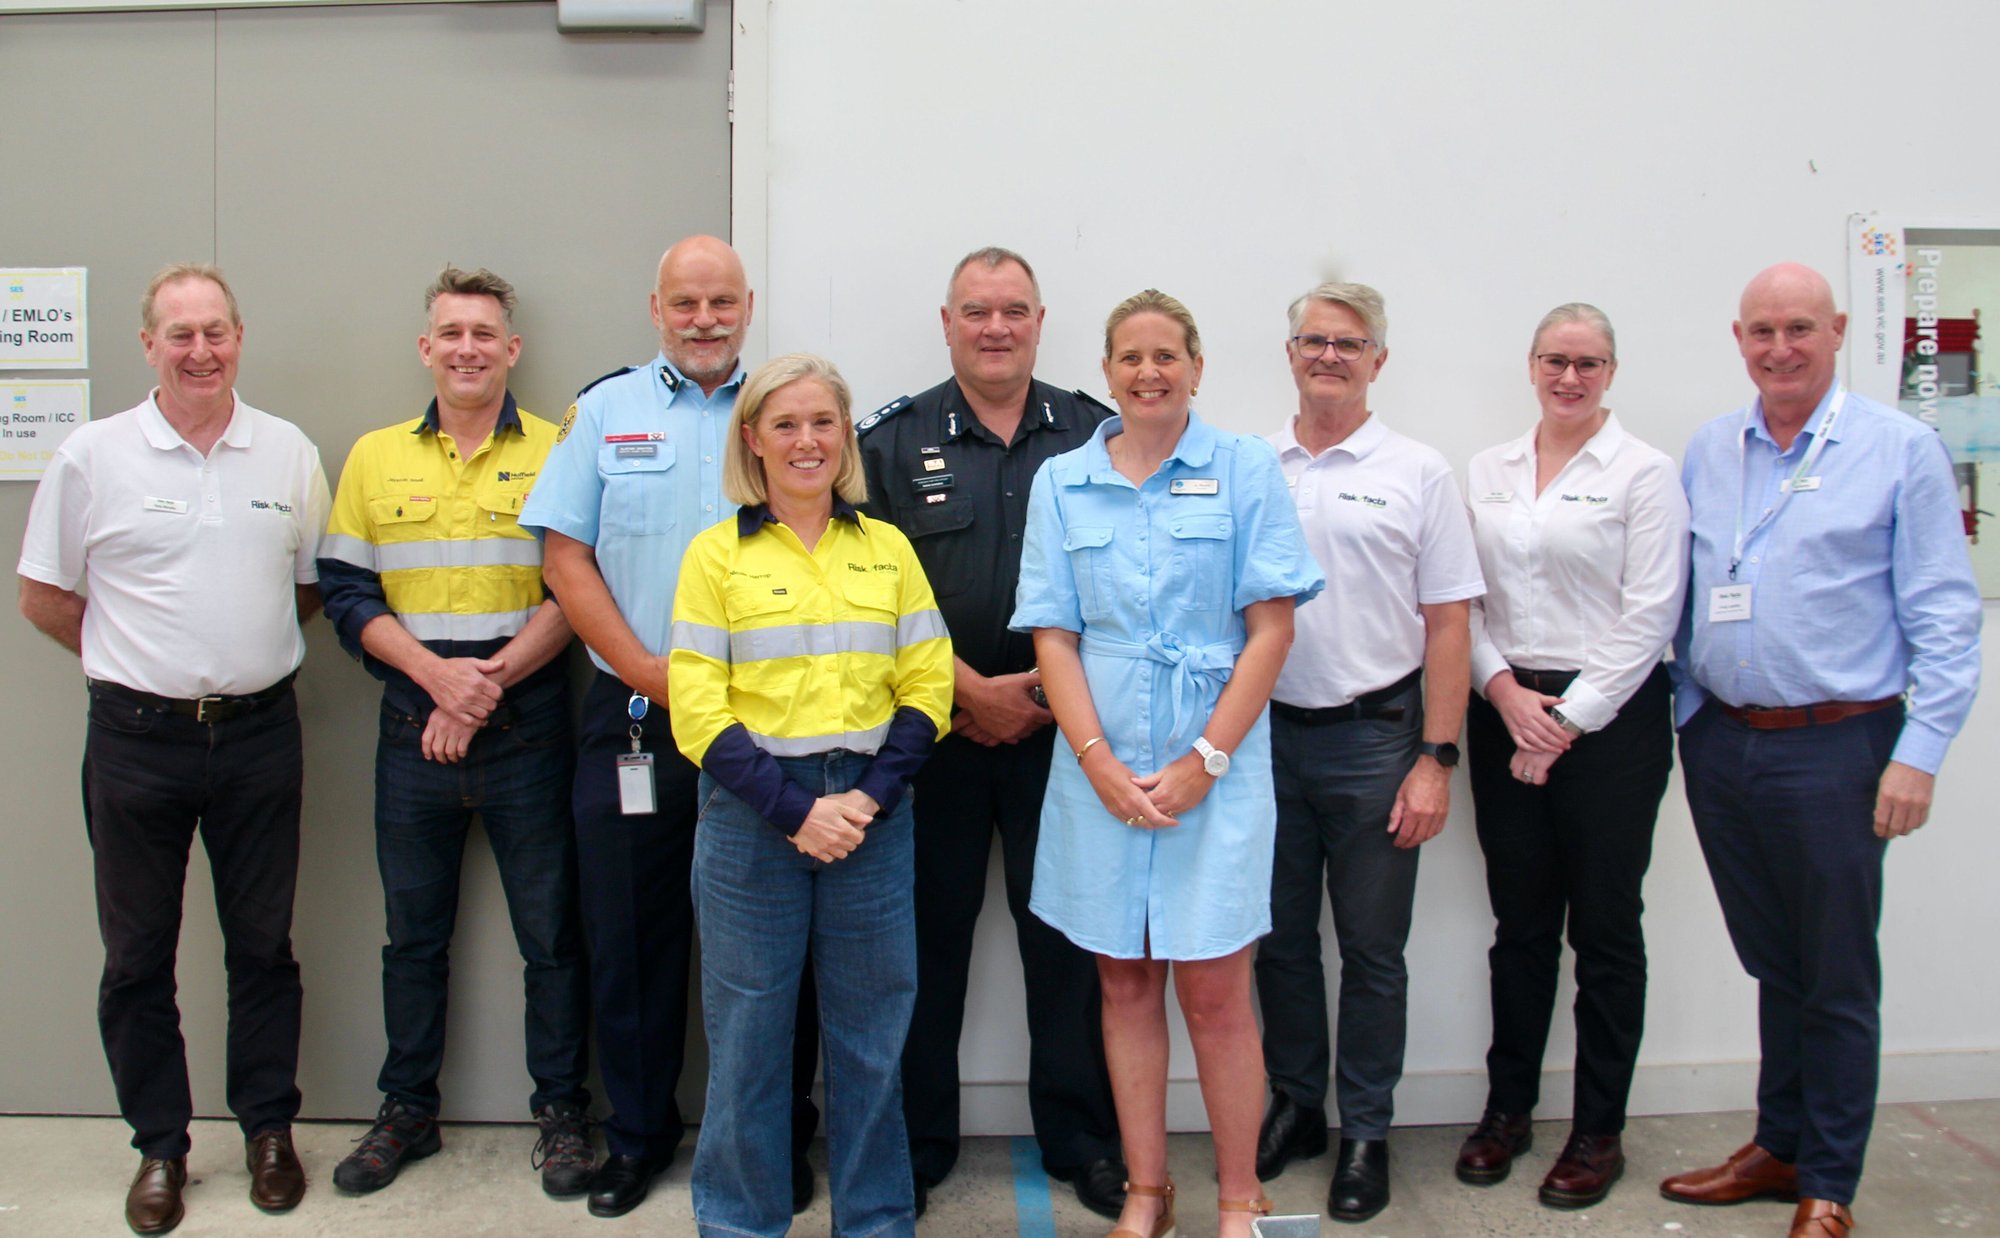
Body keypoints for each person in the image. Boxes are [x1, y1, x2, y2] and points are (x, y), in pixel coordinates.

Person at [1662, 263, 1980, 1238]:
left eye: (1797, 327)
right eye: (1760, 330)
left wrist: (1918, 749)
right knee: (1774, 961)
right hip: (1723, 741)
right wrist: (1686, 713)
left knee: (1833, 971)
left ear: (1836, 329)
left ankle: (1827, 1181)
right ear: (1736, 337)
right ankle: (1777, 1143)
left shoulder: (1898, 449)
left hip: (1839, 745)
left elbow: (1943, 612)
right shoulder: (1710, 450)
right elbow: (1679, 590)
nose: (1778, 347)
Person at [16, 263, 328, 1235]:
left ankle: (268, 1129)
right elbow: (45, 594)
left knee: (263, 947)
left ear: (240, 336)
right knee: (137, 956)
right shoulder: (93, 455)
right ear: (146, 343)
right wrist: (136, 661)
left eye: (216, 332)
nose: (201, 350)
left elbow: (311, 587)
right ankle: (160, 1144)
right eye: (179, 334)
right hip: (135, 740)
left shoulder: (285, 452)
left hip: (259, 736)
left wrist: (228, 660)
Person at [520, 235, 821, 1218]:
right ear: (656, 307)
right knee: (630, 933)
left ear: (747, 304)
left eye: (721, 301)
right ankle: (639, 1135)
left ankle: (774, 1139)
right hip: (639, 719)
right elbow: (564, 557)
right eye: (685, 302)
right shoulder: (606, 411)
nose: (703, 318)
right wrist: (648, 668)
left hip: (772, 726)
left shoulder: (781, 407)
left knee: (775, 946)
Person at [1013, 290, 1324, 1238]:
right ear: (1106, 371)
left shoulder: (1245, 468)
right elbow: (1054, 638)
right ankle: (1148, 1191)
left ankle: (1240, 1195)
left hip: (1215, 770)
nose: (1149, 373)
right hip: (1098, 770)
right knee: (1123, 983)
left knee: (1219, 989)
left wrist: (1206, 757)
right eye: (1130, 357)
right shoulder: (1063, 482)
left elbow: (1271, 627)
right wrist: (1098, 760)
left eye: (1167, 356)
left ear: (1198, 366)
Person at [856, 246, 1124, 1218]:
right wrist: (970, 691)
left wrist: (1043, 700)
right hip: (930, 741)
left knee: (1065, 944)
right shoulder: (886, 443)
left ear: (1040, 319)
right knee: (922, 949)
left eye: (1012, 309)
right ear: (946, 321)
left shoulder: (1098, 434)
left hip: (1067, 741)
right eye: (977, 310)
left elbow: (1129, 589)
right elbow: (864, 600)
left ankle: (1082, 1138)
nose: (995, 326)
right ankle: (916, 1142)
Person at [317, 267, 592, 1198]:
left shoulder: (563, 447)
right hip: (410, 728)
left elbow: (577, 589)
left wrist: (486, 684)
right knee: (412, 940)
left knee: (552, 938)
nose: (468, 347)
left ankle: (561, 1114)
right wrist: (436, 681)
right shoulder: (372, 457)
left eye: (485, 333)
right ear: (426, 348)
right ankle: (408, 1113)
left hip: (529, 729)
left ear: (512, 350)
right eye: (451, 332)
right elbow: (347, 594)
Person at [669, 353, 952, 1237]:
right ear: (752, 440)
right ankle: (739, 1223)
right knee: (750, 1040)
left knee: (872, 1040)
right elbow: (697, 709)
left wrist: (863, 802)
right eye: (784, 424)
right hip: (756, 818)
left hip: (872, 814)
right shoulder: (715, 556)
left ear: (845, 436)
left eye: (822, 422)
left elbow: (929, 686)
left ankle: (875, 1220)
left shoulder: (887, 549)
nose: (805, 441)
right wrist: (797, 811)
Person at [1250, 282, 1483, 1224]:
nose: (1330, 355)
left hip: (1377, 742)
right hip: (1265, 741)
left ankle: (1368, 1131)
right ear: (1292, 353)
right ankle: (1299, 1105)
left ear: (1378, 360)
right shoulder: (1250, 464)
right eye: (1314, 340)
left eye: (1350, 343)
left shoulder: (1417, 470)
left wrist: (1438, 756)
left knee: (1375, 953)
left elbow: (1450, 621)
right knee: (1280, 944)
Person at [1456, 303, 1688, 1209]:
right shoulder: (1490, 470)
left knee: (1604, 928)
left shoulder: (1645, 472)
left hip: (1615, 721)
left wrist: (1569, 720)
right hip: (1505, 705)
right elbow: (1462, 598)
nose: (1570, 377)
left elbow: (1651, 613)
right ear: (1531, 365)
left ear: (1611, 373)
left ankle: (1598, 1131)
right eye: (1556, 360)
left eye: (1589, 363)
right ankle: (1507, 1111)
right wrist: (1506, 694)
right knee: (1518, 928)